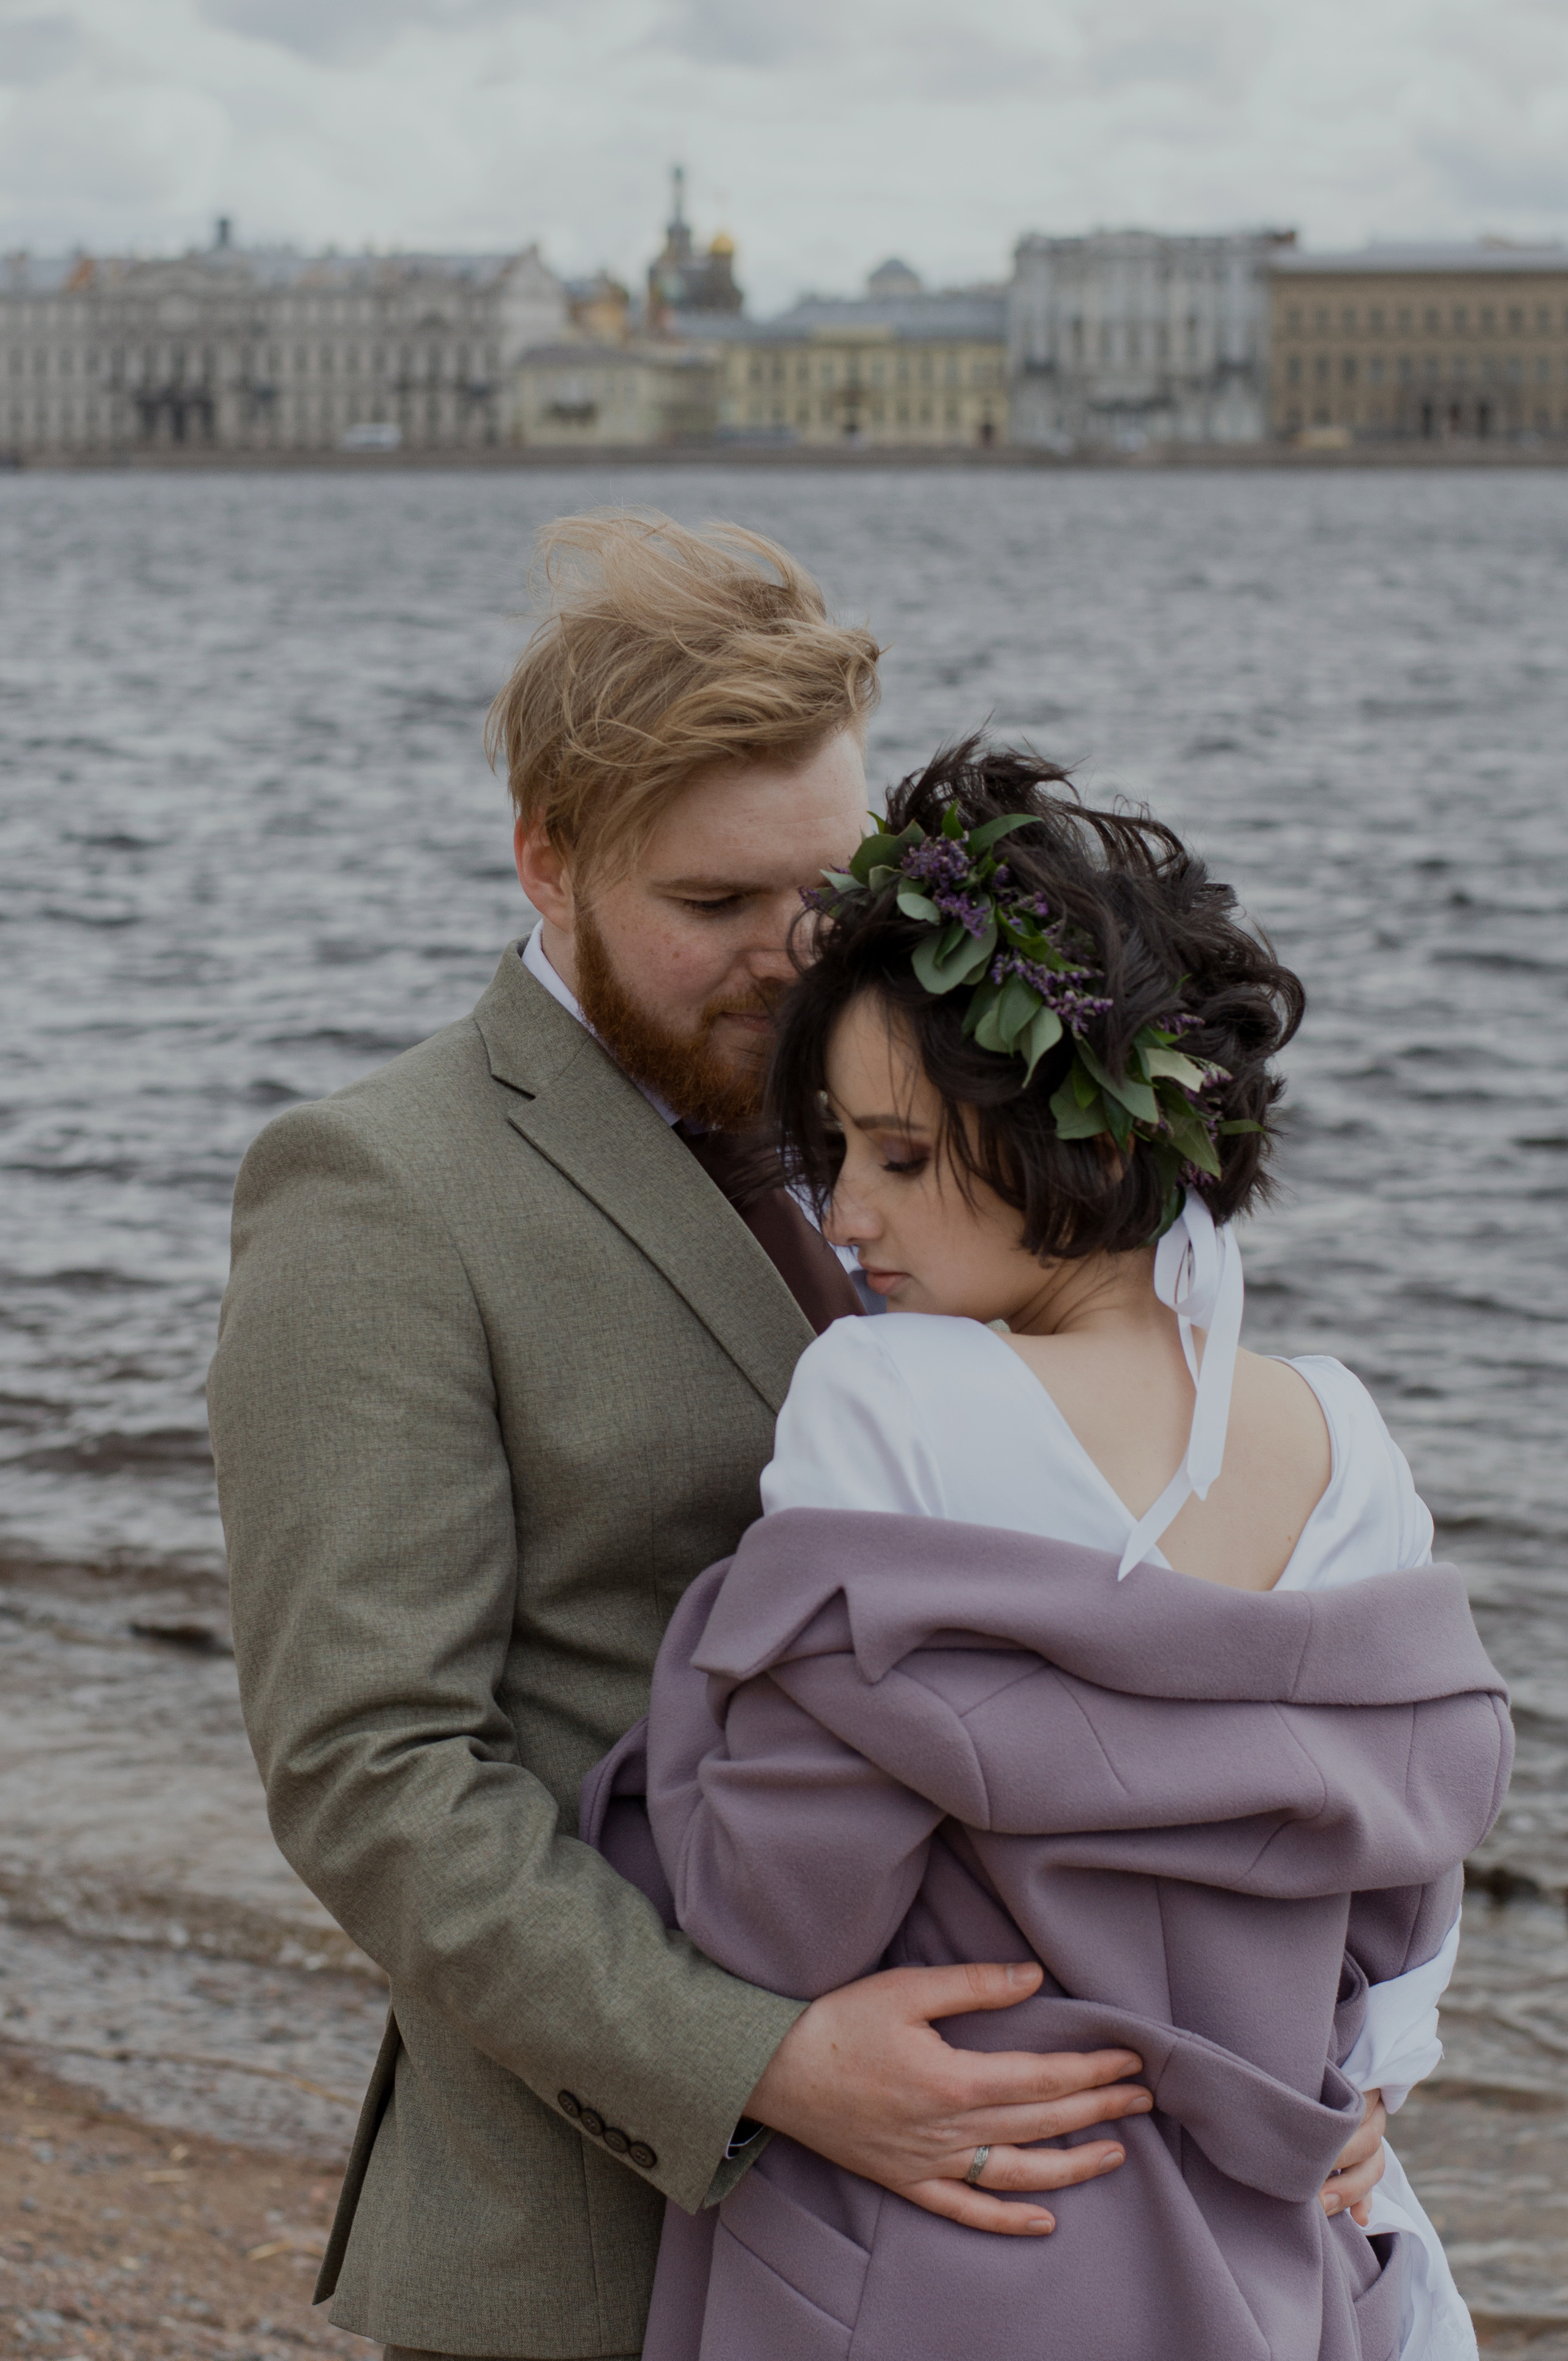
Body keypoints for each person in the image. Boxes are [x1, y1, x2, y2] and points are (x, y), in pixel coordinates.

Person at [205, 518, 1158, 2361]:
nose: (791, 961)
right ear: (545, 860)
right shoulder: (375, 1192)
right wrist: (770, 2067)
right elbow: (371, 1772)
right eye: (714, 908)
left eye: (831, 891)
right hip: (593, 2258)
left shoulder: (921, 1119)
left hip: (980, 2230)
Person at [591, 741, 1508, 2361]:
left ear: (1077, 1136)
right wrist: (1355, 2099)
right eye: (835, 1153)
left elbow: (774, 1910)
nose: (843, 1219)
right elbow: (1402, 1898)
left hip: (957, 2222)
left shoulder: (887, 1395)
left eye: (901, 1156)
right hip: (1259, 2238)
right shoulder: (1350, 1441)